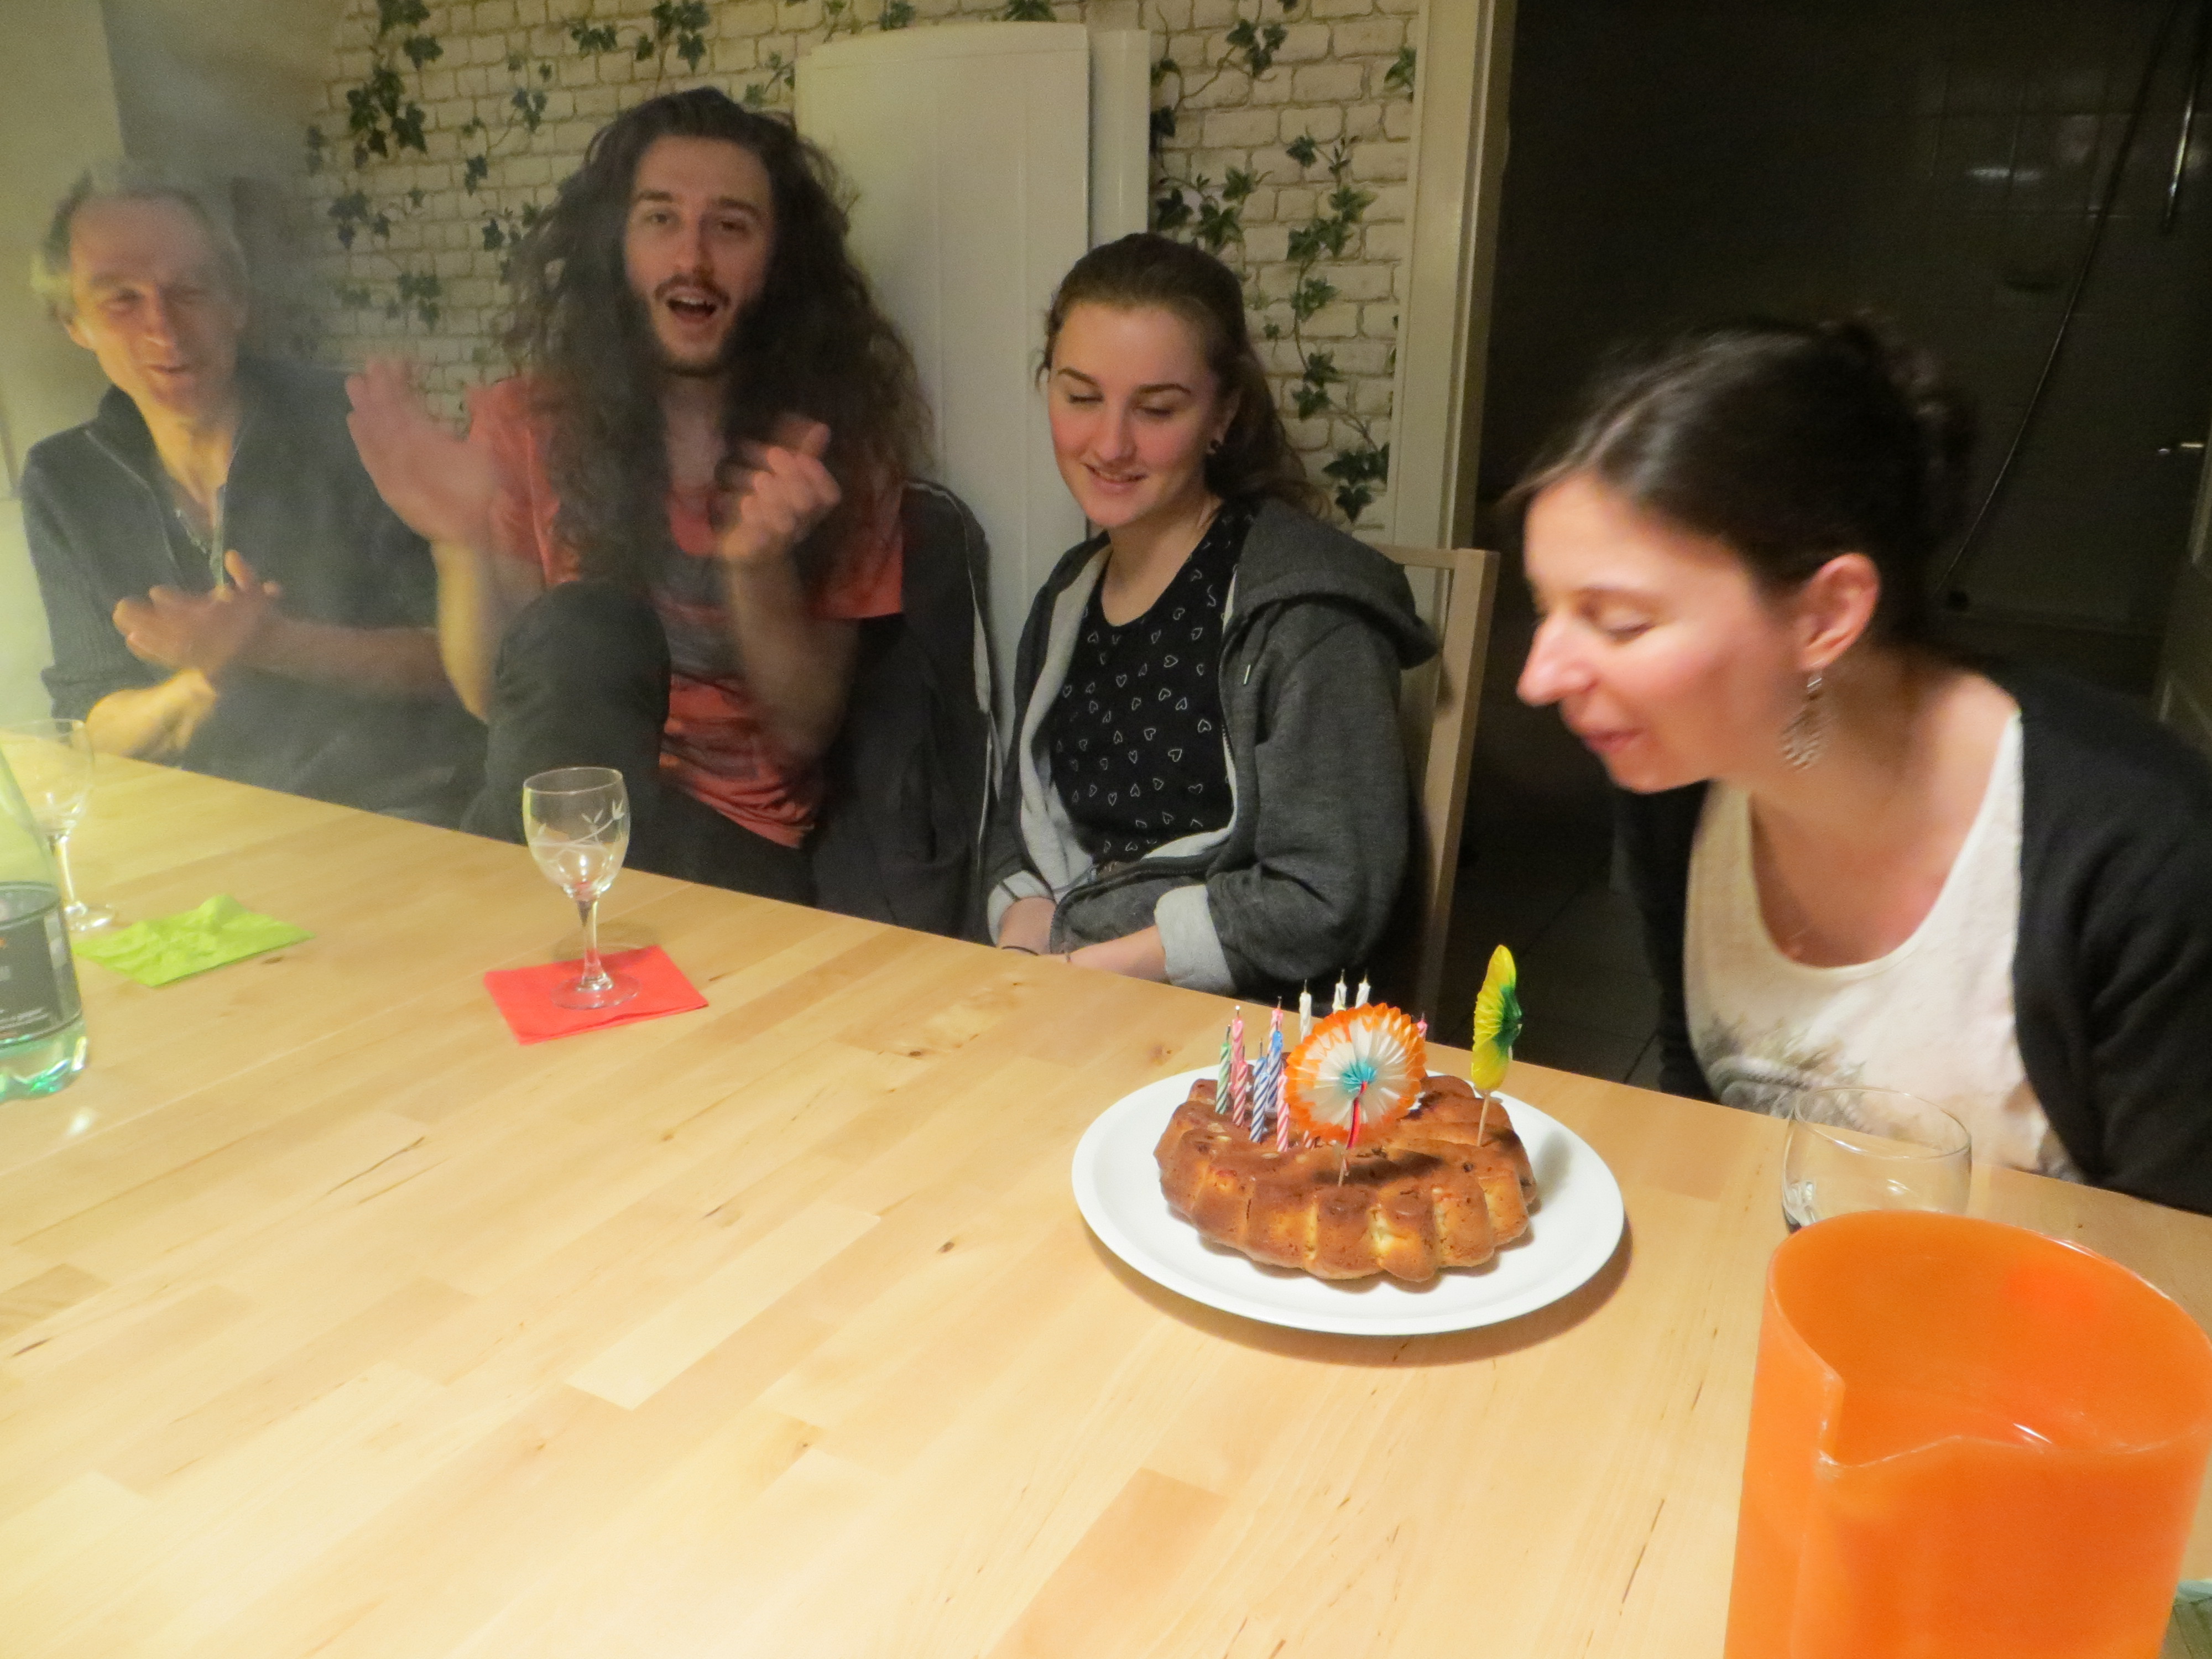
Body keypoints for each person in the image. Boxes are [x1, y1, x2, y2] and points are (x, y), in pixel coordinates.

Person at [1514, 319, 2212, 1215]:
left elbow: (2180, 1259)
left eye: (1619, 622)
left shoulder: (2148, 857)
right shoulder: (1681, 783)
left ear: (1826, 615)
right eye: (1546, 608)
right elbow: (1707, 1087)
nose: (1539, 678)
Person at [346, 88, 928, 902]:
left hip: (732, 848)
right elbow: (495, 701)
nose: (693, 258)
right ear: (616, 246)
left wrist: (756, 565)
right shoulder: (528, 421)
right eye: (660, 219)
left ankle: (521, 929)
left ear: (778, 262)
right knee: (586, 627)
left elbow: (802, 737)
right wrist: (460, 543)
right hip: (557, 818)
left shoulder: (836, 450)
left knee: (579, 653)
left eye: (731, 227)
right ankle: (540, 927)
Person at [983, 234, 1434, 994]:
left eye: (1158, 408)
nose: (1110, 444)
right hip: (1071, 984)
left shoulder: (1307, 617)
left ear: (1223, 413)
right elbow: (1018, 828)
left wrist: (1084, 971)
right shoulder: (1067, 595)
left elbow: (1327, 897)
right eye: (1081, 397)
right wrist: (1021, 948)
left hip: (1233, 1027)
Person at [22, 164, 480, 820]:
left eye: (190, 290)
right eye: (121, 299)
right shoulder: (65, 478)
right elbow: (91, 723)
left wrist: (275, 642)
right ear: (74, 322)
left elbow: (465, 665)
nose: (163, 330)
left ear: (237, 303)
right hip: (201, 821)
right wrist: (202, 680)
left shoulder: (354, 423)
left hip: (403, 807)